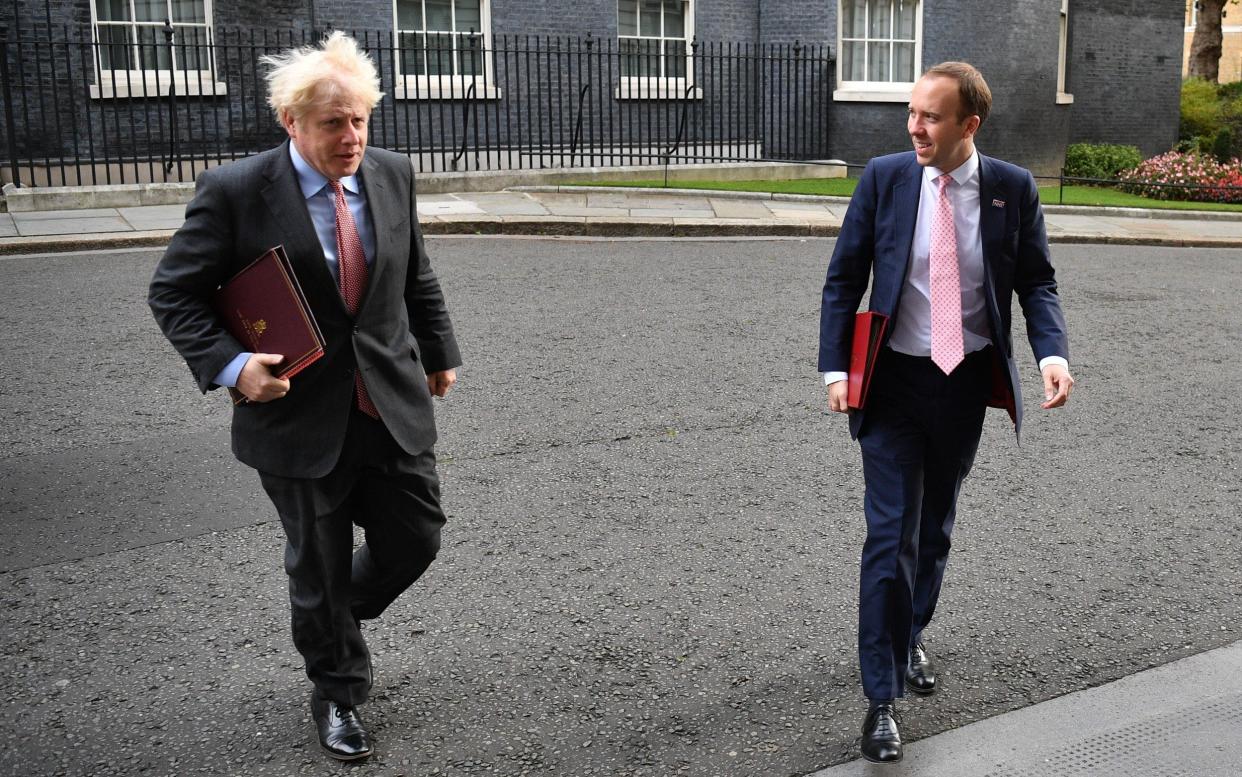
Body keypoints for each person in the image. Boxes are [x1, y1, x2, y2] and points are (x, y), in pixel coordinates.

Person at [148, 32, 461, 762]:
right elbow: (173, 291)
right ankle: (339, 689)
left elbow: (416, 273)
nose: (351, 137)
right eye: (333, 123)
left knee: (416, 537)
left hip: (387, 400)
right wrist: (231, 366)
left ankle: (328, 621)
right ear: (292, 122)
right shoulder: (234, 191)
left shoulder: (391, 173)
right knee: (316, 562)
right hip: (295, 414)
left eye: (359, 120)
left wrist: (439, 351)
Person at [817, 62, 1074, 764]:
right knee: (889, 533)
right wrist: (836, 367)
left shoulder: (1011, 190)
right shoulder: (887, 177)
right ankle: (881, 696)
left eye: (931, 115)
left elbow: (1036, 280)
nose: (914, 126)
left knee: (933, 528)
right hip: (894, 381)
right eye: (912, 112)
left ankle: (910, 633)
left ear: (970, 124)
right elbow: (845, 275)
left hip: (963, 381)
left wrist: (1051, 352)